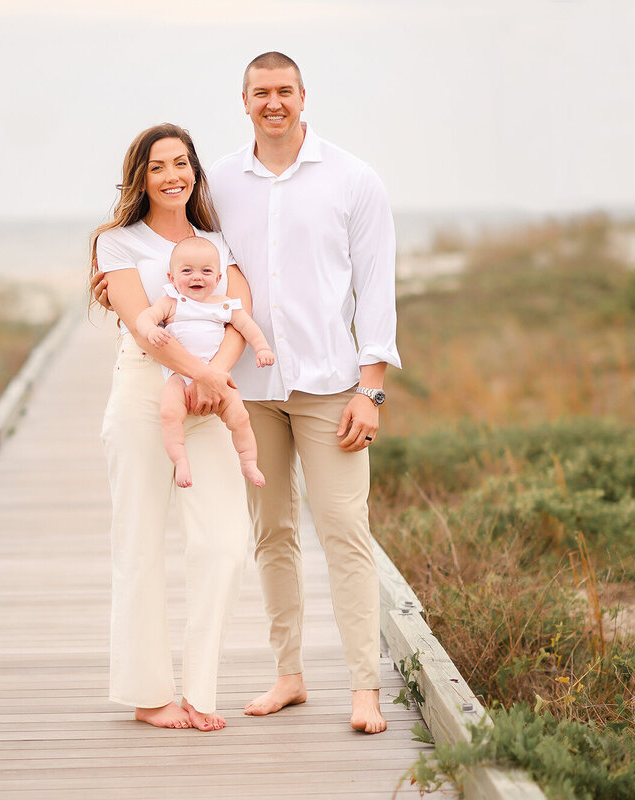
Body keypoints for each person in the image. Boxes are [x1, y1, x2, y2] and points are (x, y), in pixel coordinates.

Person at [208, 51, 401, 734]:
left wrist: (370, 391)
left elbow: (376, 286)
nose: (273, 103)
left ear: (302, 95)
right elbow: (202, 273)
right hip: (251, 390)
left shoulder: (353, 178)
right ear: (244, 100)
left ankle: (364, 688)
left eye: (283, 91)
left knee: (346, 530)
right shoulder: (220, 182)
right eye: (261, 92)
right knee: (273, 533)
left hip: (330, 387)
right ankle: (288, 675)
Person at [90, 123, 252, 732]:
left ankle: (203, 693)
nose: (173, 175)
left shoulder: (216, 241)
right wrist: (200, 378)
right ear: (141, 177)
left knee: (224, 543)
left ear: (195, 171)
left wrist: (213, 378)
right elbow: (143, 326)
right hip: (143, 395)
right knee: (139, 543)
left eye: (182, 163)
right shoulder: (119, 243)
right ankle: (150, 694)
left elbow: (241, 315)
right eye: (158, 166)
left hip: (210, 398)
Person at [136, 236, 275, 489]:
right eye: (187, 271)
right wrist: (150, 330)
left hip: (218, 376)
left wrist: (262, 347)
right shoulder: (170, 302)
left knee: (240, 418)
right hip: (180, 377)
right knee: (169, 413)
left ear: (219, 279)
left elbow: (247, 327)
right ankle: (180, 461)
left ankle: (248, 462)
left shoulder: (224, 305)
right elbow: (144, 318)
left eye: (206, 271)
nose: (196, 277)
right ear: (172, 277)